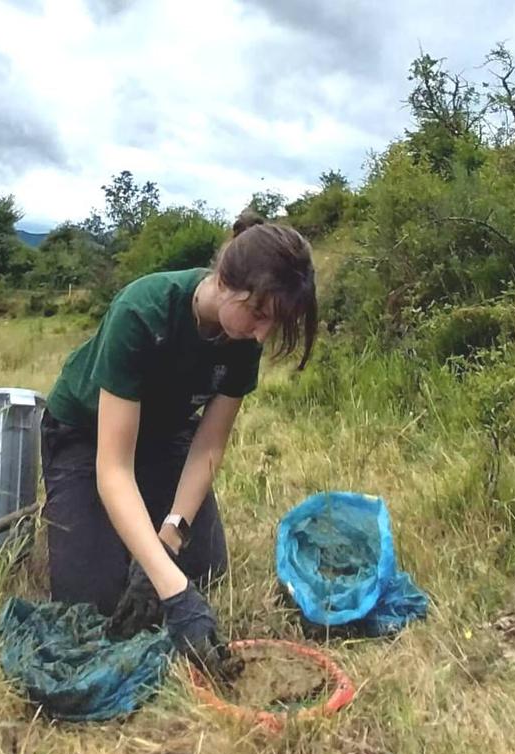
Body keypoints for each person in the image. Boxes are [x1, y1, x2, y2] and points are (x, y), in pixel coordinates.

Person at [41, 210, 317, 675]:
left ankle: (147, 540)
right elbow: (113, 469)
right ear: (226, 281)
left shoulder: (242, 341)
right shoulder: (143, 311)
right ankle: (74, 518)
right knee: (95, 602)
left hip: (164, 436)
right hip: (87, 438)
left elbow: (208, 447)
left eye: (274, 323)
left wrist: (169, 541)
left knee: (205, 569)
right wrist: (172, 589)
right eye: (258, 314)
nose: (262, 334)